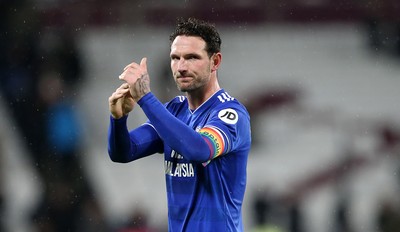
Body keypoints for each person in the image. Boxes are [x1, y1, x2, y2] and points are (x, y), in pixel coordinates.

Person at [108, 17, 251, 232]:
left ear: (215, 61)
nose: (181, 67)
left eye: (192, 57)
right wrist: (118, 120)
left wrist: (146, 98)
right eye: (175, 58)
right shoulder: (173, 111)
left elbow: (200, 149)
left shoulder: (230, 114)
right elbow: (124, 152)